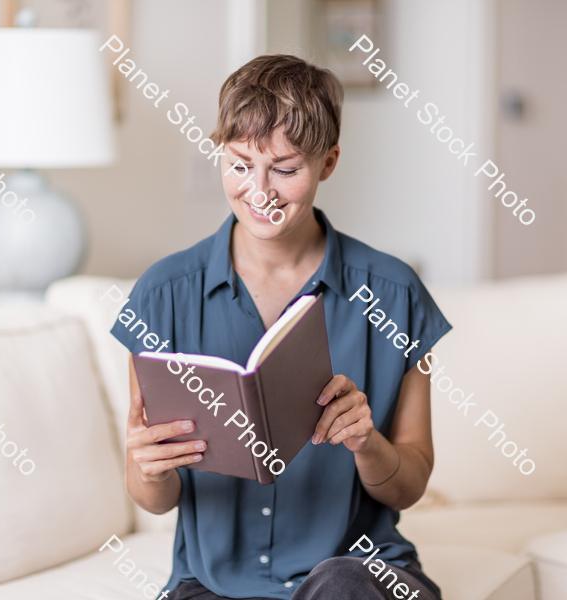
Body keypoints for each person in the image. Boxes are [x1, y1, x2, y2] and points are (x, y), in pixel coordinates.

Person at [111, 54, 451, 600]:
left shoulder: (394, 293)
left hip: (357, 575)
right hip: (214, 583)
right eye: (239, 163)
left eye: (285, 169)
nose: (259, 190)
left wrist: (366, 443)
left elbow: (408, 487)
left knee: (341, 586)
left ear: (329, 162)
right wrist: (148, 469)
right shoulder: (162, 295)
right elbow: (153, 498)